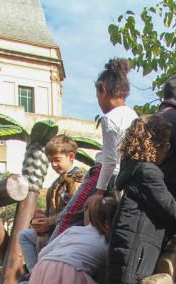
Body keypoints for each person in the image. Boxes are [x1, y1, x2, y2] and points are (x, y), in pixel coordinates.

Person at [108, 114, 176, 284]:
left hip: (129, 250)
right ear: (154, 144)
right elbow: (175, 211)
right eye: (165, 144)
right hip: (135, 254)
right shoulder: (147, 173)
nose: (167, 149)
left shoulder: (133, 167)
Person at [51, 60, 139, 244]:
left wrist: (98, 192)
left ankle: (42, 263)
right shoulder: (133, 115)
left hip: (103, 176)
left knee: (67, 218)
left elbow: (109, 160)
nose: (98, 101)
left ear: (104, 91)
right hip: (122, 177)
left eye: (97, 95)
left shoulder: (110, 119)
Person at [20, 135, 88, 272]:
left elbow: (74, 211)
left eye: (57, 160)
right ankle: (35, 273)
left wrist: (50, 222)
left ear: (71, 156)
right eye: (51, 161)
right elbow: (53, 209)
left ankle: (42, 274)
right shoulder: (57, 182)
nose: (54, 165)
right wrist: (40, 219)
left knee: (45, 245)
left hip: (68, 230)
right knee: (25, 236)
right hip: (53, 227)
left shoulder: (78, 179)